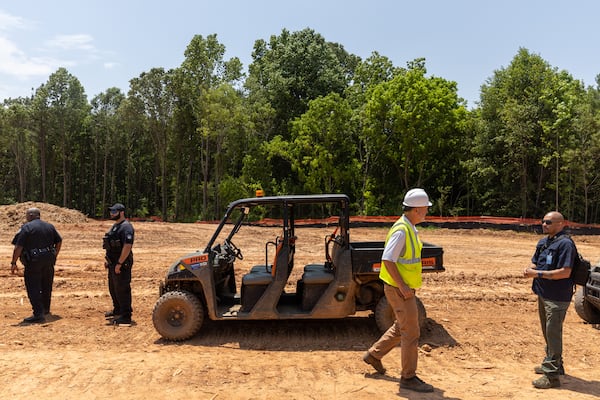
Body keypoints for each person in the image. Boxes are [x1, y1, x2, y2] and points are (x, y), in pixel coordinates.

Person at [363, 188, 434, 393]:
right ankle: (408, 378)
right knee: (411, 332)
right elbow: (387, 258)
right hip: (399, 289)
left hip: (401, 288)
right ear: (417, 209)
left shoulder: (408, 227)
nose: (426, 212)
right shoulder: (402, 230)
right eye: (425, 209)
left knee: (401, 325)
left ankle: (374, 355)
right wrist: (403, 286)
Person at [523, 211, 575, 389]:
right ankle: (555, 364)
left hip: (558, 297)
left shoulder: (566, 244)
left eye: (548, 222)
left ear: (561, 224)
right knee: (548, 332)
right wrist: (530, 269)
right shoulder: (544, 242)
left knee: (553, 334)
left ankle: (551, 376)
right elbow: (535, 262)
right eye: (543, 221)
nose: (544, 225)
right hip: (544, 294)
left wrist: (536, 273)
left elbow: (565, 272)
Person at [10, 207, 62, 324]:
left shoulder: (26, 227)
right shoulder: (49, 226)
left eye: (27, 215)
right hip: (49, 259)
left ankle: (38, 314)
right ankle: (45, 309)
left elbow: (18, 247)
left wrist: (13, 262)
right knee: (46, 284)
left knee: (33, 286)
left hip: (34, 261)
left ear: (31, 215)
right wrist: (55, 255)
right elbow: (59, 241)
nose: (26, 217)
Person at [103, 203, 135, 325]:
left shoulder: (126, 227)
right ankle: (118, 309)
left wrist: (120, 263)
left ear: (121, 212)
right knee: (113, 287)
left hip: (122, 262)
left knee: (122, 288)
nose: (112, 214)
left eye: (114, 212)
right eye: (111, 211)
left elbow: (127, 246)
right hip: (113, 262)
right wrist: (109, 261)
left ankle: (126, 315)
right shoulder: (115, 226)